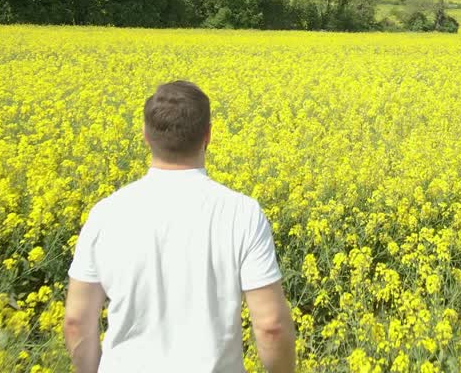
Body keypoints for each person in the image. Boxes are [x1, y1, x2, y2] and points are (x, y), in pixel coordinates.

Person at [62, 80, 296, 373]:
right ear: (208, 135)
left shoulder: (106, 214)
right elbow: (271, 325)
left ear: (146, 136)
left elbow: (76, 322)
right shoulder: (242, 213)